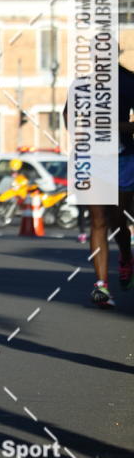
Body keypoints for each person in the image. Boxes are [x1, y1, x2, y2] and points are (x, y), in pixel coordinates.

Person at [63, 61, 134, 308]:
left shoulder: (129, 82)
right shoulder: (81, 84)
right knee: (98, 220)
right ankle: (101, 285)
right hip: (91, 158)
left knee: (118, 221)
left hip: (122, 159)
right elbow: (67, 116)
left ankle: (126, 255)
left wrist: (111, 128)